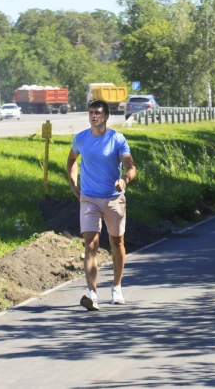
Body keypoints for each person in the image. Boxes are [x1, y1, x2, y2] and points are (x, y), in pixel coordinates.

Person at [67, 99, 137, 311]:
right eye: (91, 113)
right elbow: (71, 162)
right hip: (89, 197)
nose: (93, 116)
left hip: (114, 198)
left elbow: (131, 167)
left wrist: (124, 180)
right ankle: (92, 293)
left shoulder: (117, 139)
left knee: (117, 243)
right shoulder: (80, 138)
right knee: (91, 244)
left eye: (98, 113)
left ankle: (116, 287)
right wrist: (73, 184)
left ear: (106, 116)